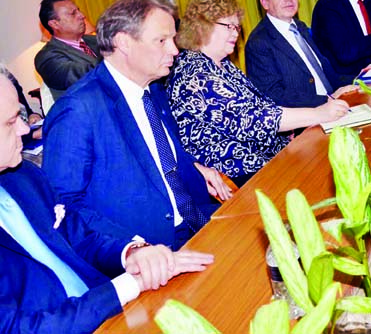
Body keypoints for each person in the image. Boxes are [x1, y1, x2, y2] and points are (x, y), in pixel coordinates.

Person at [0, 72, 214, 333]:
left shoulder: (23, 176)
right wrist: (125, 286)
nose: (25, 129)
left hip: (110, 313)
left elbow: (79, 238)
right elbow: (16, 328)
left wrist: (133, 254)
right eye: (11, 122)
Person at [43, 0, 230, 250]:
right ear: (124, 43)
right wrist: (131, 250)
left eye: (173, 39)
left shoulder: (151, 87)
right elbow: (64, 206)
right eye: (162, 40)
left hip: (198, 219)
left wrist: (194, 166)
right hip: (151, 247)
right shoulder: (78, 110)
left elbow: (160, 153)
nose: (174, 50)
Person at [169, 0, 350, 186]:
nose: (235, 32)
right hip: (241, 171)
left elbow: (261, 103)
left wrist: (286, 128)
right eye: (228, 26)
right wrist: (318, 113)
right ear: (202, 26)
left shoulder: (222, 64)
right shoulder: (196, 74)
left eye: (236, 26)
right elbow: (254, 119)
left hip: (266, 156)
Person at [246, 0, 356, 108]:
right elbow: (273, 96)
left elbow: (327, 75)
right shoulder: (259, 42)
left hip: (335, 105)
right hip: (307, 120)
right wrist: (328, 100)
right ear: (264, 2)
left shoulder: (301, 27)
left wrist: (361, 78)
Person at [35, 0, 102, 101]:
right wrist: (116, 56)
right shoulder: (46, 57)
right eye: (73, 13)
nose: (82, 16)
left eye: (78, 11)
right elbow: (82, 76)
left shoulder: (97, 40)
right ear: (55, 24)